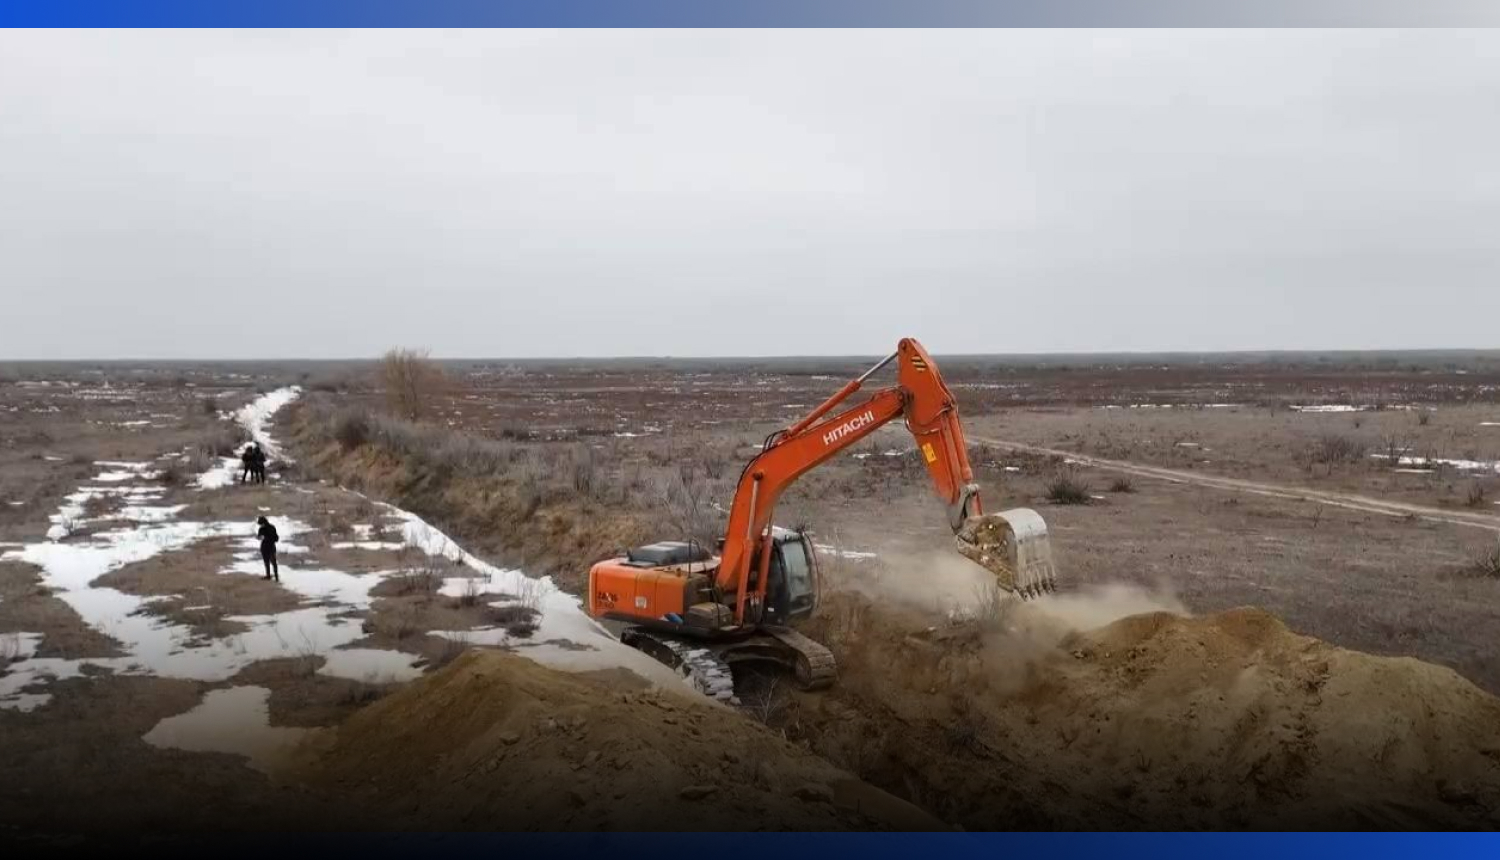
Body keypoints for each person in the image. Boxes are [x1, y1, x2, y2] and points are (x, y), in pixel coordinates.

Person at [256, 516, 280, 581]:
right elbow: (276, 538)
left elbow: (259, 537)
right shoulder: (272, 527)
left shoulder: (261, 529)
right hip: (272, 546)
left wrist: (262, 537)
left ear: (262, 523)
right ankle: (276, 576)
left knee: (266, 562)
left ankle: (268, 575)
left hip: (265, 547)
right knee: (274, 562)